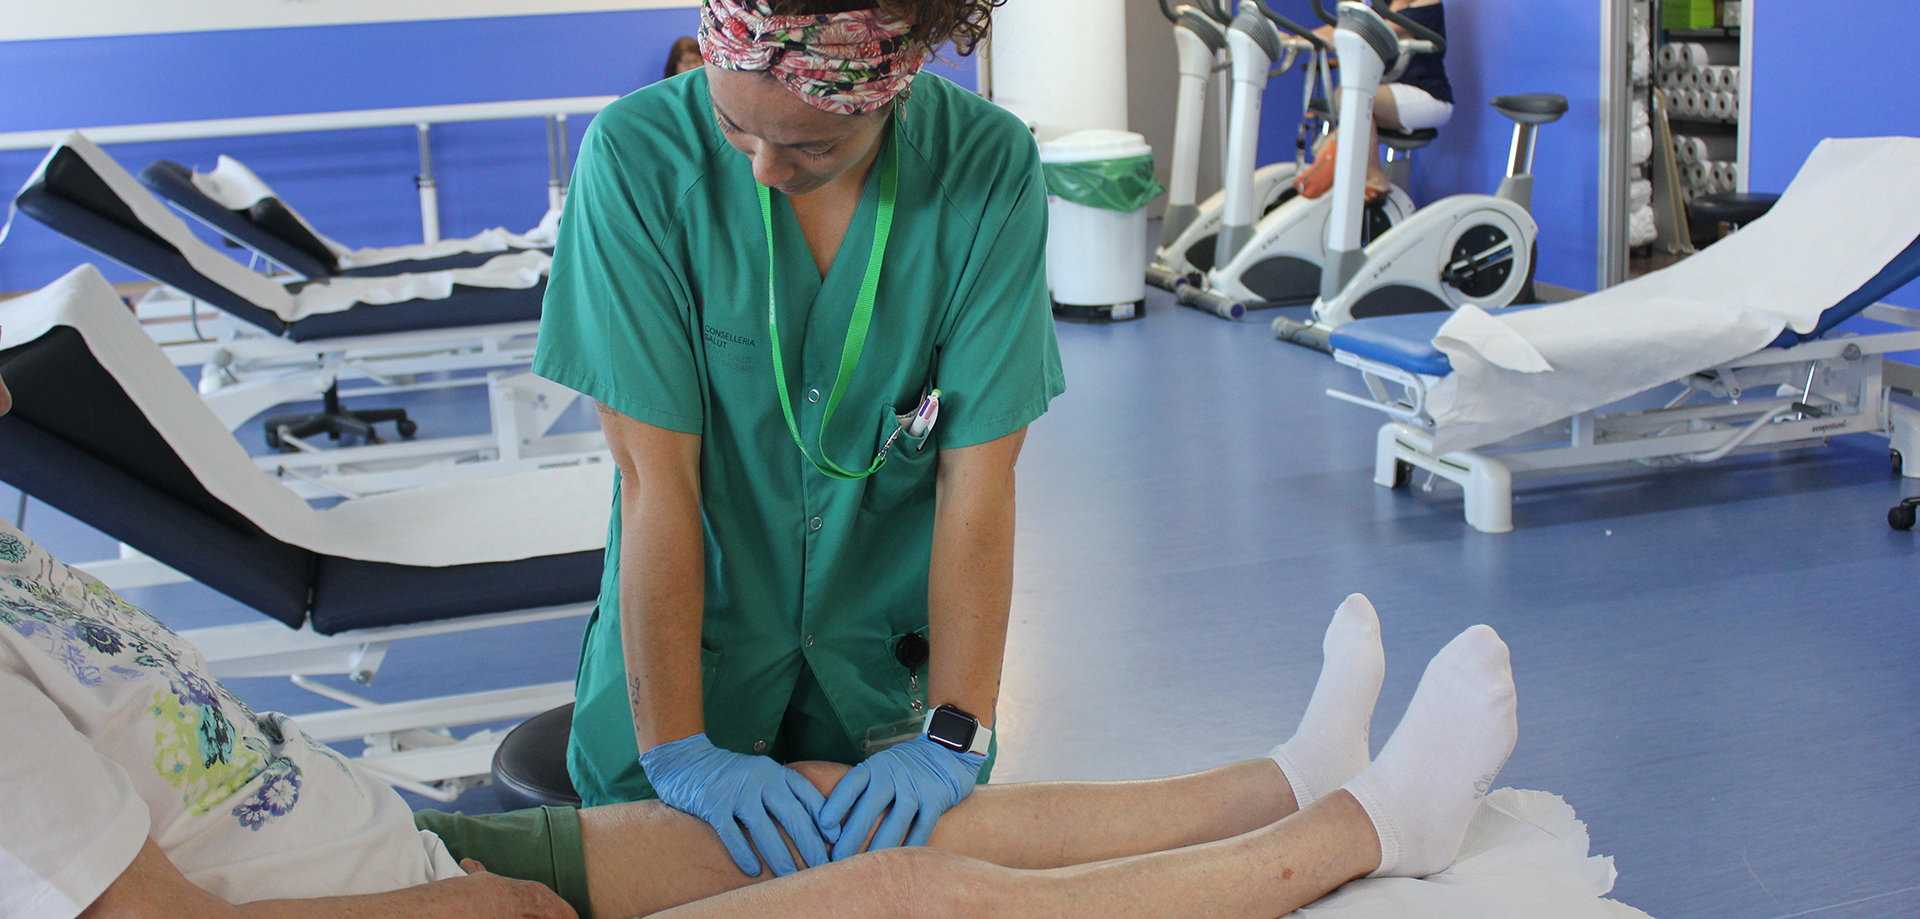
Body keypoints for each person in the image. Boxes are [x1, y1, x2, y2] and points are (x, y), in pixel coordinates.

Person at [0, 421, 1522, 919]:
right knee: (910, 895)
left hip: (401, 843)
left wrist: (444, 867)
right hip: (399, 901)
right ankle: (1373, 830)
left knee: (849, 808)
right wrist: (454, 910)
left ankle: (1287, 774)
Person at [533, 0, 1064, 875]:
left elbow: (978, 483)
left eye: (814, 147)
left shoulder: (986, 172)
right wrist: (679, 745)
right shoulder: (640, 162)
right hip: (687, 680)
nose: (768, 169)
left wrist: (955, 731)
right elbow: (654, 483)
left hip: (891, 692)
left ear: (889, 92)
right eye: (738, 128)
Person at [1296, 0, 1454, 199]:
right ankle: (1327, 173)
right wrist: (1298, 38)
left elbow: (1372, 30)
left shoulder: (1428, 3)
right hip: (1394, 96)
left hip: (1428, 98)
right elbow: (1343, 28)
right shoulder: (1386, 7)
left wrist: (1340, 35)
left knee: (1350, 96)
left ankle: (1374, 177)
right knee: (1344, 120)